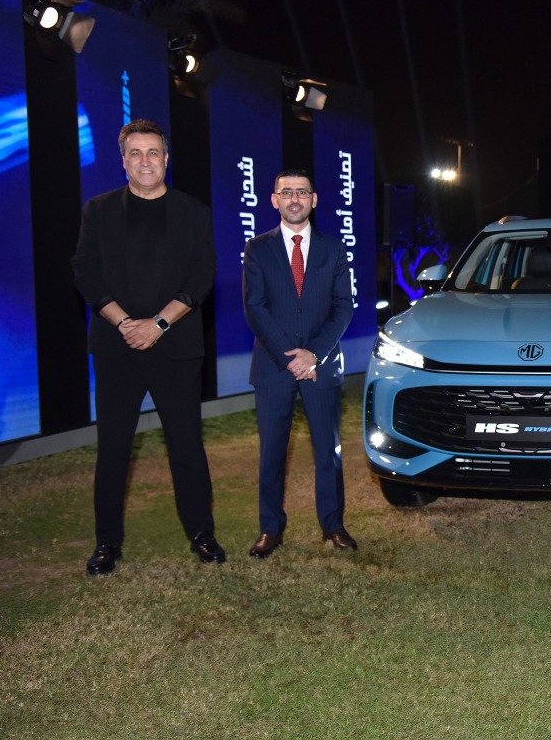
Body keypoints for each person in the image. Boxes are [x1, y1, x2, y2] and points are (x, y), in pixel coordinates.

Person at [71, 119, 225, 575]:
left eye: (153, 152)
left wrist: (157, 324)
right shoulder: (97, 211)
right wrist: (125, 323)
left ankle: (202, 534)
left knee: (187, 447)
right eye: (135, 153)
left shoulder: (193, 211)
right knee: (113, 449)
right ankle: (106, 545)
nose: (145, 161)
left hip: (175, 348)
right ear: (123, 161)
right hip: (117, 348)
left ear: (166, 159)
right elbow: (85, 272)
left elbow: (203, 274)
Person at [242, 170, 357, 558]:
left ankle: (333, 525)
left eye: (302, 192)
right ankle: (270, 529)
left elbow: (344, 306)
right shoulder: (258, 249)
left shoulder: (335, 249)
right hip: (273, 367)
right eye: (286, 192)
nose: (294, 199)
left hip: (321, 366)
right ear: (273, 199)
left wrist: (314, 354)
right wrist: (289, 359)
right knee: (272, 451)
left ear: (314, 199)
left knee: (329, 451)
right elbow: (254, 307)